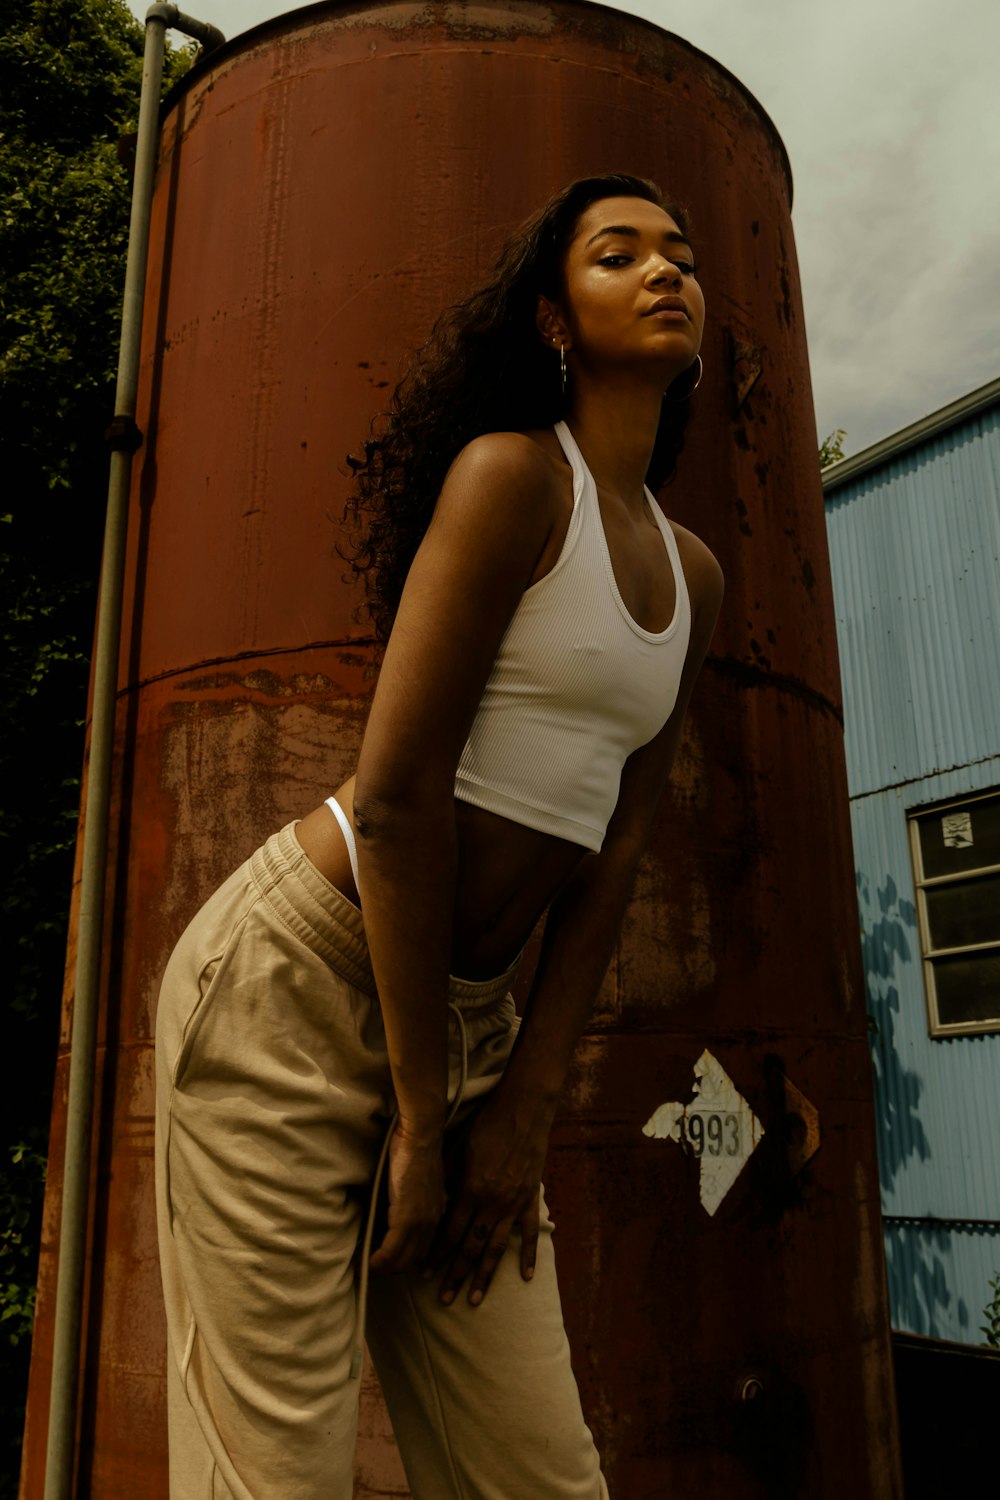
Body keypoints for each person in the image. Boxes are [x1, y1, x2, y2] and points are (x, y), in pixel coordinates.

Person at [155, 172, 723, 1500]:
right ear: (553, 321)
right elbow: (402, 799)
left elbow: (616, 859)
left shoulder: (691, 574)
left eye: (682, 256)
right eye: (618, 253)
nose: (665, 270)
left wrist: (515, 1109)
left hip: (468, 1033)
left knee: (539, 1475)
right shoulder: (514, 480)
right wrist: (421, 1119)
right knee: (277, 1478)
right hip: (296, 993)